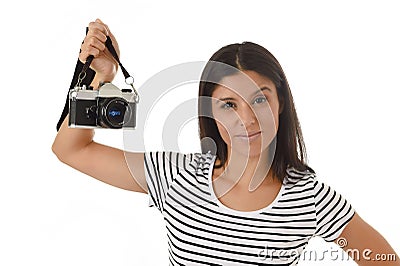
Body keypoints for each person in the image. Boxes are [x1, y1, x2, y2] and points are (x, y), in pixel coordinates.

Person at [52, 19, 399, 265]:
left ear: (281, 104)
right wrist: (102, 77)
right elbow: (70, 149)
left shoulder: (309, 198)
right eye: (229, 104)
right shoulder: (175, 174)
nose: (248, 119)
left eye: (260, 100)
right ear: (210, 112)